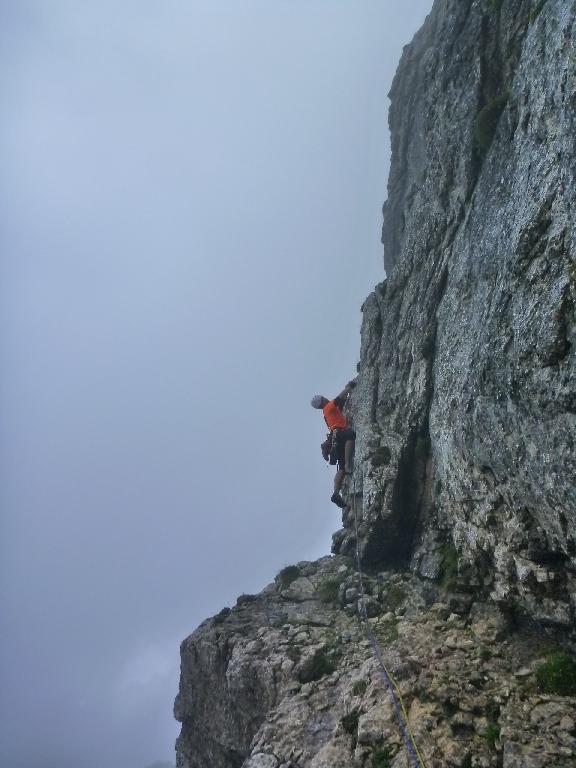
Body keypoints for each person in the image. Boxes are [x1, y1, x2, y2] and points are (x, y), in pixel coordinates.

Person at [311, 380, 357, 508]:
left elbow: (341, 402)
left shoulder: (328, 412)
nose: (326, 398)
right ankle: (348, 464)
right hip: (341, 434)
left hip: (336, 439)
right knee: (351, 435)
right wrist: (350, 386)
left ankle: (336, 493)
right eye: (323, 398)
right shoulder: (329, 407)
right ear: (322, 401)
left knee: (340, 468)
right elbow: (340, 397)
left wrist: (347, 390)